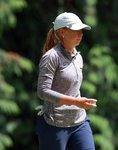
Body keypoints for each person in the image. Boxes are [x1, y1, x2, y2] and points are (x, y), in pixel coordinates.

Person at [35, 12, 97, 150]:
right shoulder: (51, 57)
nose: (81, 34)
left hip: (79, 121)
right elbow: (42, 91)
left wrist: (77, 104)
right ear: (62, 32)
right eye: (76, 30)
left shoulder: (78, 56)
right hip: (54, 124)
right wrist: (75, 102)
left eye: (81, 31)